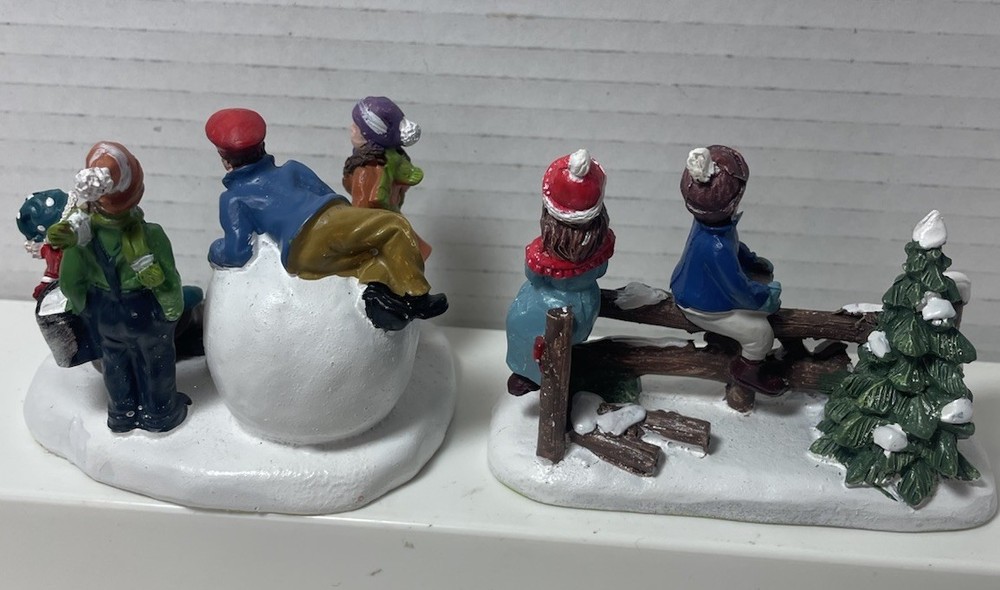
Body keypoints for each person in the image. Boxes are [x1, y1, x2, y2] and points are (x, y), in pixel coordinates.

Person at [205, 108, 447, 331]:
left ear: (225, 160)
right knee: (394, 225)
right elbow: (329, 195)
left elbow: (236, 252)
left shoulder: (233, 199)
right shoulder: (289, 171)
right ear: (263, 145)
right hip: (322, 229)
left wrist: (216, 250)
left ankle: (382, 302)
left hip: (310, 249)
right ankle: (417, 297)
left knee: (372, 253)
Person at [46, 142, 191, 432]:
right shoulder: (152, 234)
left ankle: (122, 413)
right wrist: (172, 311)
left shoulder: (83, 237)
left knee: (114, 360)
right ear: (137, 193)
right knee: (157, 359)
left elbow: (70, 280)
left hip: (105, 311)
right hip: (144, 309)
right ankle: (160, 412)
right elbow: (170, 281)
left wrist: (87, 309)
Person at [669, 145, 787, 395]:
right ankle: (747, 370)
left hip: (695, 287)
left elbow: (734, 246)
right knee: (760, 333)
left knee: (760, 282)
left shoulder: (713, 229)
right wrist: (764, 298)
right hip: (702, 305)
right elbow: (736, 287)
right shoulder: (717, 247)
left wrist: (749, 260)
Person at [505, 149, 615, 395]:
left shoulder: (542, 256)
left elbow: (533, 277)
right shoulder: (599, 248)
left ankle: (532, 375)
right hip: (587, 304)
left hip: (551, 309)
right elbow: (601, 270)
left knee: (518, 320)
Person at [342, 96, 431, 259]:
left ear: (371, 135)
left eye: (356, 126)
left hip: (377, 236)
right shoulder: (394, 158)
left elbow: (360, 213)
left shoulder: (366, 169)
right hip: (390, 223)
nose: (351, 129)